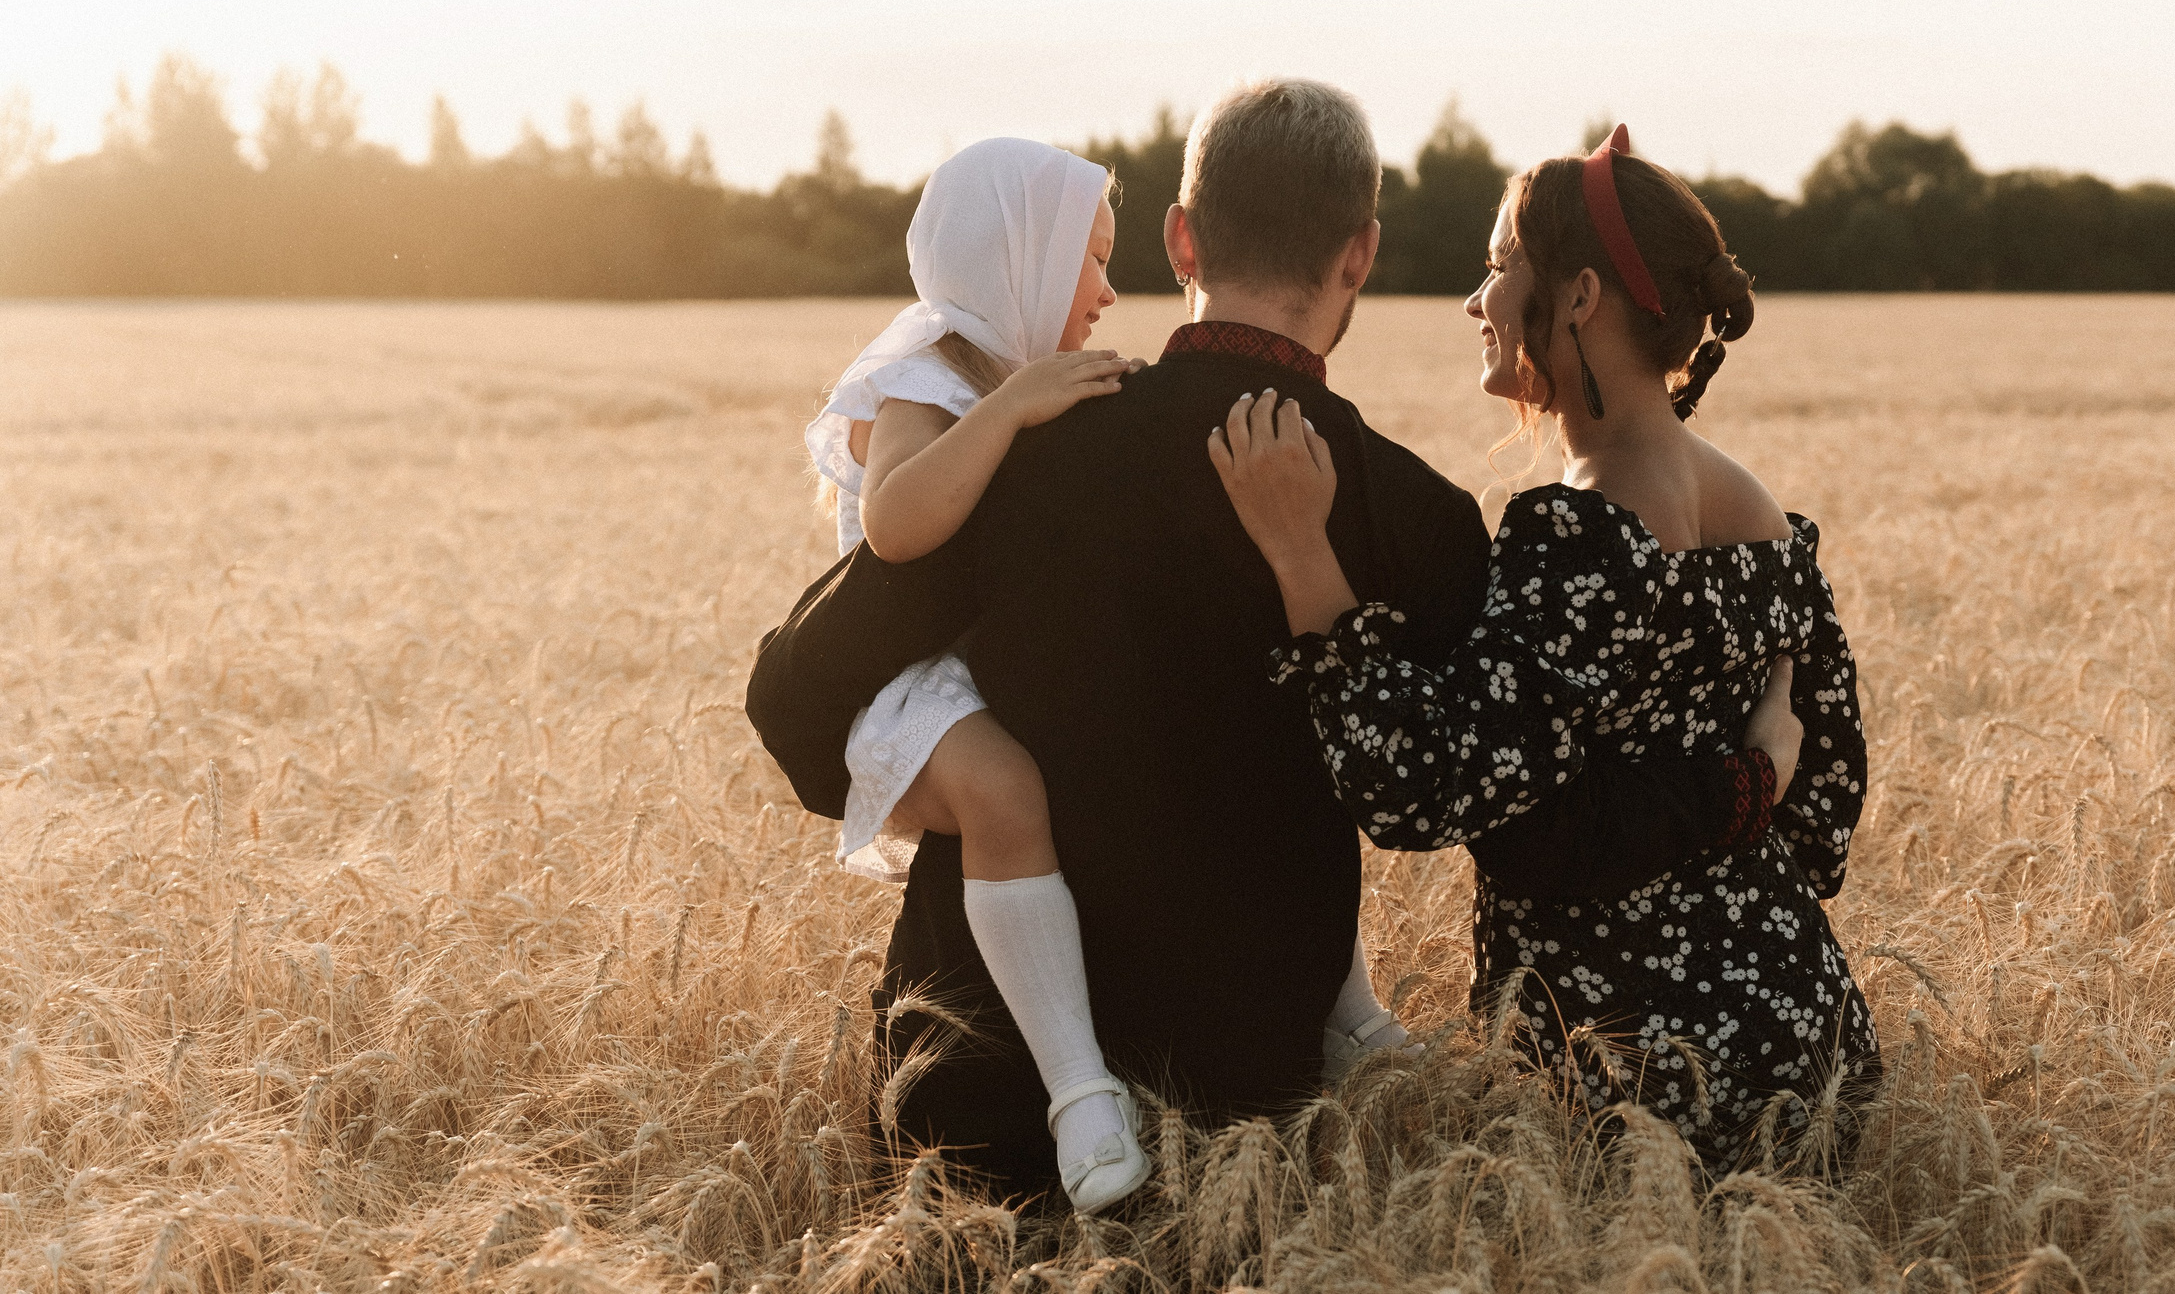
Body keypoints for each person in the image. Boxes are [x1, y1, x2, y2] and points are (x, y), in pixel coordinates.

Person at [744, 83, 1772, 1200]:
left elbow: (795, 694)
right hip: (1243, 1117)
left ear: (1181, 236)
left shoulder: (1019, 452)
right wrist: (1744, 776)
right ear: (1360, 256)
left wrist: (947, 789)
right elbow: (1529, 812)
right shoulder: (1415, 519)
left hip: (972, 1084)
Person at [1210, 125, 1878, 1174]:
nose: (1476, 304)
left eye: (1495, 268)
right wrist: (1739, 796)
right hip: (1812, 1038)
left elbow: (1421, 789)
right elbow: (1825, 805)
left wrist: (1303, 557)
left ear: (1576, 298)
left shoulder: (1582, 531)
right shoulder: (1768, 528)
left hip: (1635, 1076)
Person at [800, 136, 1155, 1208]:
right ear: (1018, 261)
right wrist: (1010, 411)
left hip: (971, 670)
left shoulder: (1011, 372)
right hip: (905, 691)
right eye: (1088, 260)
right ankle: (1079, 1095)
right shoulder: (932, 371)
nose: (1106, 289)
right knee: (1006, 788)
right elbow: (895, 524)